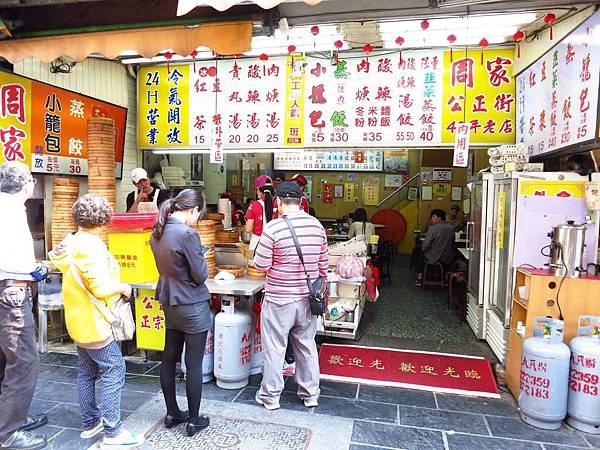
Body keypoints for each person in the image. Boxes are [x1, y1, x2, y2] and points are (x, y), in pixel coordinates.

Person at [49, 194, 144, 448]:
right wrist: (123, 287)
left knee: (87, 372)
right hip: (95, 320)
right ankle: (113, 431)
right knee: (115, 370)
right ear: (102, 218)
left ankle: (91, 423)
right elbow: (101, 287)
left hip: (77, 317)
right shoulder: (92, 245)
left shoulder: (71, 241)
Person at [253, 181, 328, 410]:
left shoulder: (273, 228)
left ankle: (271, 397)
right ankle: (310, 394)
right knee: (306, 345)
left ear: (278, 201)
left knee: (275, 347)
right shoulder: (317, 227)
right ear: (300, 200)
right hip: (307, 299)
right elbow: (323, 267)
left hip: (278, 299)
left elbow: (261, 264)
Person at [150, 189, 211, 437]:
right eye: (199, 214)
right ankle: (194, 419)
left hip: (169, 300)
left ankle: (172, 412)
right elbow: (201, 274)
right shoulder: (187, 233)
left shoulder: (158, 230)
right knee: (193, 364)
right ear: (193, 210)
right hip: (192, 303)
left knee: (169, 357)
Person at [0, 162, 49, 450]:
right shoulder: (10, 211)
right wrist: (35, 269)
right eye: (30, 179)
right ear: (22, 183)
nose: (33, 184)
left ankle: (10, 418)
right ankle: (8, 432)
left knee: (7, 361)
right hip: (12, 293)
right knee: (23, 362)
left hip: (7, 290)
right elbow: (12, 258)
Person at [415, 209, 455, 287]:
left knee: (421, 252)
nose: (431, 218)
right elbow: (452, 242)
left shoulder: (433, 228)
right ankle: (446, 278)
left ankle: (419, 278)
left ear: (439, 218)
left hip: (434, 256)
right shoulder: (450, 228)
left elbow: (425, 246)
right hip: (447, 257)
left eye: (433, 216)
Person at [245, 175, 277, 253]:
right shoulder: (278, 205)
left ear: (259, 189)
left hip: (257, 244)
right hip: (274, 244)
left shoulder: (254, 205)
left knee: (253, 264)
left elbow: (248, 229)